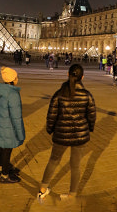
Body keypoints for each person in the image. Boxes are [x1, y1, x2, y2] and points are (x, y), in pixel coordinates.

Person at [37, 64, 97, 204]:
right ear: (82, 77)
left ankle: (42, 190)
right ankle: (72, 195)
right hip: (80, 136)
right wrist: (89, 129)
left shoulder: (59, 94)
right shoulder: (87, 95)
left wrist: (50, 129)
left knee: (53, 161)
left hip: (61, 134)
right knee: (75, 166)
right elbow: (92, 116)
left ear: (67, 74)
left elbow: (51, 114)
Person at [0, 67, 25, 184]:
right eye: (16, 77)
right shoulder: (13, 94)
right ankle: (5, 175)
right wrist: (20, 133)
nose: (17, 79)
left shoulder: (0, 90)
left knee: (1, 147)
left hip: (0, 125)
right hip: (9, 127)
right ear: (12, 79)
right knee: (7, 150)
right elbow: (16, 116)